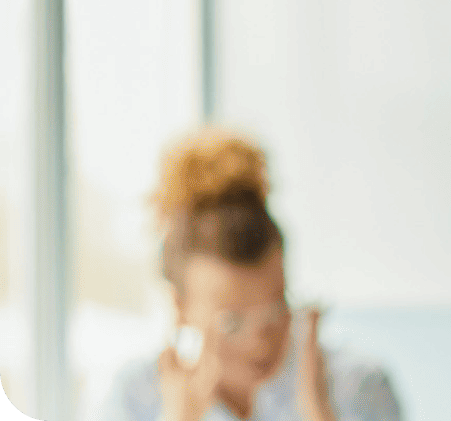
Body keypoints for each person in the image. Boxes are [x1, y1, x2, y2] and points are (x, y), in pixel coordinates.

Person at [94, 127, 402, 421]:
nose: (259, 343)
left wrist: (319, 413)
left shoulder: (357, 387)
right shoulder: (133, 397)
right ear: (180, 306)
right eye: (232, 322)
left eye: (275, 309)